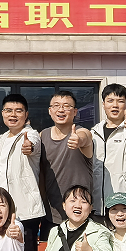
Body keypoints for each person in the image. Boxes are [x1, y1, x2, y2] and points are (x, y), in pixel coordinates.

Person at [0, 93, 49, 251]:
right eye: (8, 110)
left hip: (26, 208)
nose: (13, 115)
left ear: (26, 115)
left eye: (18, 111)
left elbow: (32, 145)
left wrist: (29, 147)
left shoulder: (30, 134)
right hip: (2, 208)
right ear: (2, 113)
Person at [91, 84, 126, 215]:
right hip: (98, 199)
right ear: (103, 104)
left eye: (120, 101)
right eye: (110, 101)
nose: (115, 105)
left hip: (123, 196)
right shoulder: (94, 132)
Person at [39, 90, 94, 224]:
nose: (61, 110)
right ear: (50, 111)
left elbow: (85, 137)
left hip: (79, 211)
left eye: (67, 106)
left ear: (75, 112)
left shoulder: (82, 132)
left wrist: (78, 140)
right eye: (56, 105)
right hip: (51, 212)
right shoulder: (42, 136)